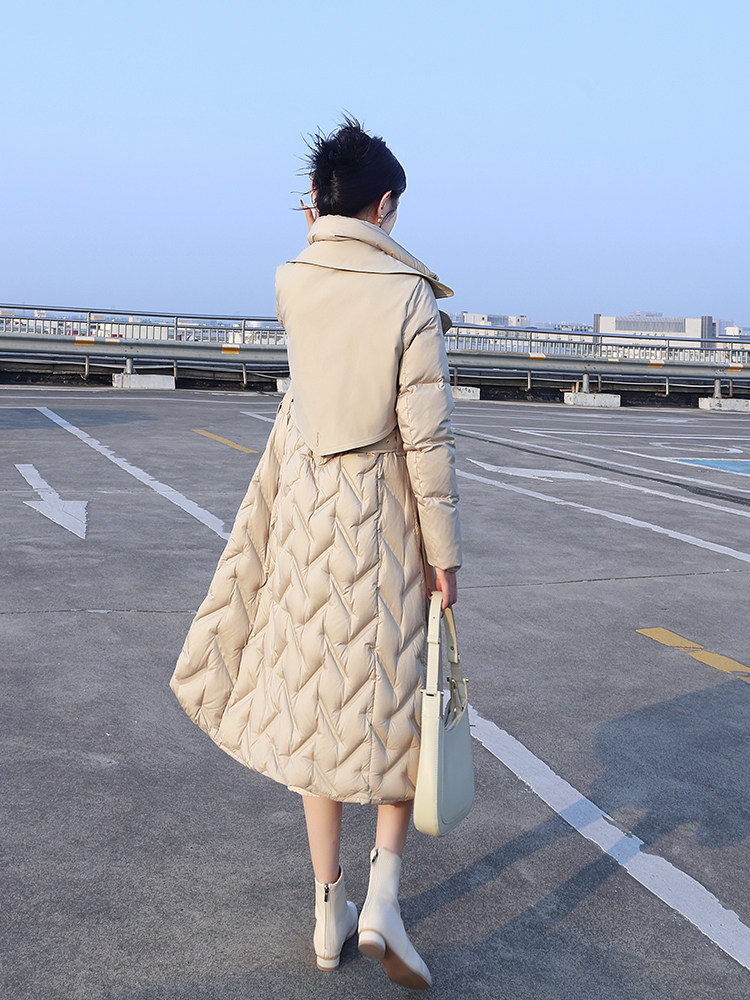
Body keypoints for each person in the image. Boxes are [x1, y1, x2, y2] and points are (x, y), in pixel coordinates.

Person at [170, 117, 461, 990]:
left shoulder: (293, 279)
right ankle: (384, 900)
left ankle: (327, 908)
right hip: (386, 522)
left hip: (305, 517)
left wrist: (320, 235)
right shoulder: (409, 297)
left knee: (318, 705)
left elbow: (321, 291)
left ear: (319, 203)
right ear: (386, 205)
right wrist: (445, 557)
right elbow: (427, 441)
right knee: (402, 704)